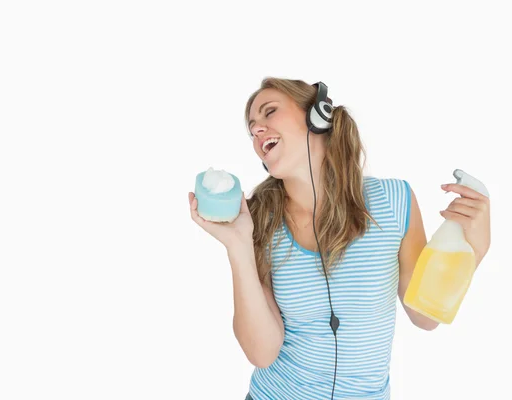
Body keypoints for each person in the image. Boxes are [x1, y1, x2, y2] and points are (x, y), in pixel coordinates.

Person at [188, 77, 491, 400]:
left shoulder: (393, 201)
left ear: (317, 116)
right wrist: (238, 246)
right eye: (252, 129)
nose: (257, 130)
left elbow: (425, 316)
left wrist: (476, 247)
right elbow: (262, 353)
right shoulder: (259, 218)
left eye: (269, 112)